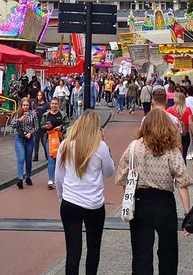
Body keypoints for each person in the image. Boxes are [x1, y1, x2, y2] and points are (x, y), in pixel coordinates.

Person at [116, 105, 192, 275]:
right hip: (164, 202)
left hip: (140, 201)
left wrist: (129, 199)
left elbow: (122, 175)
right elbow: (182, 182)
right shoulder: (171, 150)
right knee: (168, 250)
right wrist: (188, 213)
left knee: (141, 252)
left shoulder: (134, 146)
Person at [54, 110, 114, 275]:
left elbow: (58, 176)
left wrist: (61, 197)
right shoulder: (100, 147)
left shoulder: (65, 144)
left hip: (70, 202)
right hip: (93, 204)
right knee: (93, 248)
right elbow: (109, 172)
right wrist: (106, 147)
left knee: (73, 249)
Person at [11, 97, 39, 188]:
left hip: (29, 139)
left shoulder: (33, 114)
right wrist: (20, 120)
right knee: (21, 158)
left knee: (28, 159)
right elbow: (12, 125)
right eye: (24, 105)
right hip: (19, 138)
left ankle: (28, 176)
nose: (25, 107)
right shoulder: (18, 114)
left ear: (29, 105)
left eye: (27, 105)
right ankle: (20, 178)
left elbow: (36, 127)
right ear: (21, 105)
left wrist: (30, 133)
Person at [43, 97, 67, 189]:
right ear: (50, 105)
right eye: (52, 104)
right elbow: (41, 126)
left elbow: (67, 125)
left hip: (60, 140)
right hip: (49, 140)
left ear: (58, 105)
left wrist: (62, 127)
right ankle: (50, 180)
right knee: (51, 159)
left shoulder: (62, 114)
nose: (54, 105)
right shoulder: (46, 115)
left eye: (56, 104)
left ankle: (59, 180)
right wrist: (46, 126)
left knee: (59, 160)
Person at [168, 91, 193, 161]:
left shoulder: (169, 110)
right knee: (183, 155)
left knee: (174, 155)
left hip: (173, 135)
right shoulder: (187, 110)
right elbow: (190, 123)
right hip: (185, 134)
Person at [33, 90, 51, 162]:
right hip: (36, 124)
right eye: (38, 95)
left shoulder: (46, 104)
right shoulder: (35, 104)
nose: (39, 97)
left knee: (44, 141)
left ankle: (47, 155)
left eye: (40, 95)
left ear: (43, 96)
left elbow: (49, 114)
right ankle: (35, 156)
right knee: (36, 141)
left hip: (43, 125)